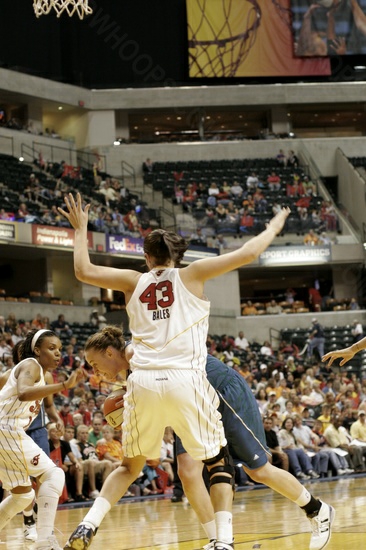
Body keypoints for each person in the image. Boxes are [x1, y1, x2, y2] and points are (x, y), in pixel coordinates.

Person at [60, 192, 290, 550]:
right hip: (186, 379)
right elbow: (248, 254)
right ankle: (224, 542)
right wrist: (274, 225)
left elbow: (82, 271)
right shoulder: (193, 273)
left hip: (143, 380)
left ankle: (89, 524)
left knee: (128, 468)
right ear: (176, 255)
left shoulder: (133, 281)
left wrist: (80, 230)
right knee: (215, 461)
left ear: (146, 257)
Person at [0, 328, 83, 550]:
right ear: (37, 350)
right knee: (54, 474)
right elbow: (24, 393)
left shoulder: (39, 372)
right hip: (5, 428)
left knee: (22, 496)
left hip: (6, 431)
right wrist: (65, 386)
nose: (58, 354)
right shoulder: (31, 365)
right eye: (52, 348)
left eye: (60, 349)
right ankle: (45, 542)